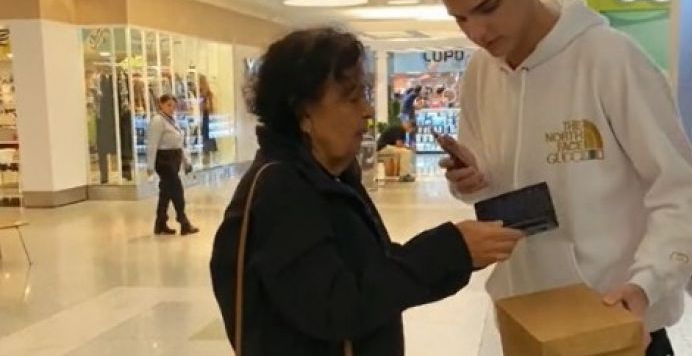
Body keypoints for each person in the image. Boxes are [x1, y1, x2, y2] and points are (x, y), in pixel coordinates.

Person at [423, 0, 692, 355]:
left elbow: (682, 192)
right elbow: (491, 180)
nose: (477, 32)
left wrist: (646, 283)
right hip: (528, 321)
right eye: (460, 18)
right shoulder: (480, 73)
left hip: (616, 321)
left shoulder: (610, 59)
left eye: (489, 7)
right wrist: (470, 178)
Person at [209, 27, 524, 356]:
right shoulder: (281, 190)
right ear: (304, 114)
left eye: (365, 96)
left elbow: (376, 274)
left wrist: (461, 253)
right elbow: (336, 305)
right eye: (351, 98)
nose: (368, 111)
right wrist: (450, 249)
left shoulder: (331, 179)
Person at [146, 94, 199, 236]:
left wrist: (186, 161)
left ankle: (160, 223)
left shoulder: (172, 121)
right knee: (177, 189)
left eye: (173, 106)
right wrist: (150, 167)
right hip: (164, 160)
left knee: (166, 191)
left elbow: (179, 144)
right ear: (161, 105)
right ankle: (183, 221)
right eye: (168, 105)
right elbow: (152, 144)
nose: (171, 108)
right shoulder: (158, 121)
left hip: (174, 158)